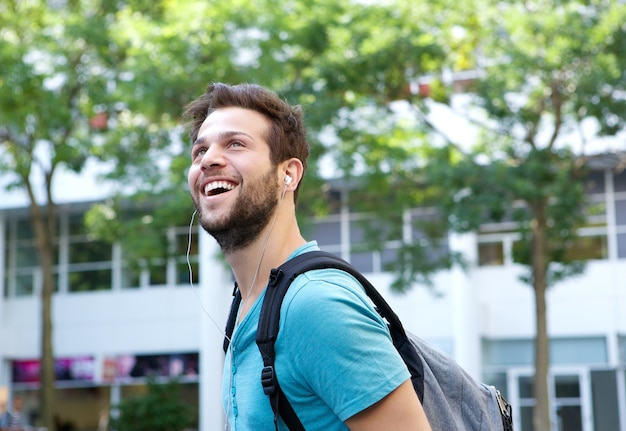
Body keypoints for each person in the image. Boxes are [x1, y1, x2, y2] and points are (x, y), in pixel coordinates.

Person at [184, 83, 431, 431]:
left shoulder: (315, 305)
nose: (208, 159)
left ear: (289, 173)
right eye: (199, 152)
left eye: (235, 143)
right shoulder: (247, 308)